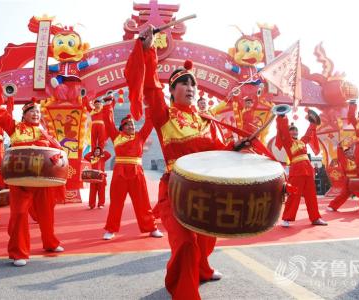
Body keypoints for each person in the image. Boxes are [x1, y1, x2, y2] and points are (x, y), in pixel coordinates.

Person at [124, 26, 247, 300]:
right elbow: (150, 86)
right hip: (177, 190)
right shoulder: (164, 115)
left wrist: (236, 147)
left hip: (206, 190)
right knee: (186, 245)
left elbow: (219, 151)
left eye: (193, 84)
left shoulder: (206, 121)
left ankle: (202, 269)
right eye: (184, 84)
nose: (190, 88)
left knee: (206, 238)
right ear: (172, 91)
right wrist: (148, 50)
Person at [0, 82, 64, 267]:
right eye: (32, 111)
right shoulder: (15, 128)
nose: (36, 114)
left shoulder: (44, 132)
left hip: (42, 179)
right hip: (20, 178)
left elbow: (58, 150)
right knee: (19, 213)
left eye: (38, 112)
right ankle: (18, 252)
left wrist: (56, 158)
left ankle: (50, 243)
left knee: (46, 213)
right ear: (24, 114)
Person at [101, 99, 162, 240]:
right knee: (116, 203)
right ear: (122, 127)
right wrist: (109, 105)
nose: (131, 126)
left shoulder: (140, 136)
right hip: (119, 173)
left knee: (143, 202)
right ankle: (111, 229)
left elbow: (149, 123)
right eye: (128, 124)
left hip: (137, 173)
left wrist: (148, 106)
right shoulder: (116, 136)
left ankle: (151, 228)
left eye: (133, 124)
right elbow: (108, 121)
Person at [275, 115, 328, 227]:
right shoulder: (287, 142)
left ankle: (315, 218)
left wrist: (313, 123)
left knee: (311, 196)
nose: (294, 132)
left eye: (295, 131)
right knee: (294, 195)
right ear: (288, 133)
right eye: (292, 131)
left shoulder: (302, 141)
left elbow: (309, 134)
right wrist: (282, 117)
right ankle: (286, 218)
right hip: (297, 171)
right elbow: (283, 130)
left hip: (308, 170)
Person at [327, 144, 359, 211]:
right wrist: (339, 148)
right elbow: (341, 156)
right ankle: (332, 206)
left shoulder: (358, 159)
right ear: (345, 155)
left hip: (358, 180)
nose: (350, 153)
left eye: (351, 152)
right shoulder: (345, 161)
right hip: (349, 181)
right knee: (344, 194)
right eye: (348, 153)